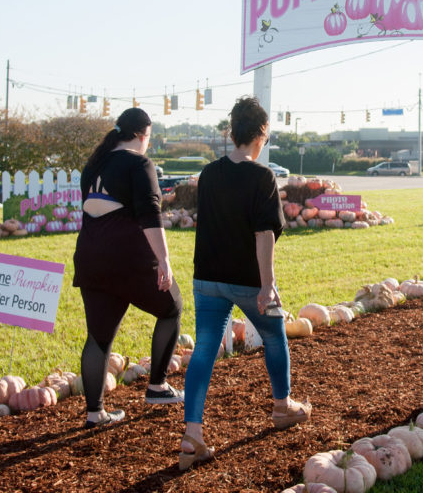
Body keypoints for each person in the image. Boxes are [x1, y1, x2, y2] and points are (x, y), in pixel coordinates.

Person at [178, 96, 310, 470]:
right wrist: (267, 285)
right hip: (247, 281)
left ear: (231, 133)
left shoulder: (209, 174)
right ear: (261, 134)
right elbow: (264, 234)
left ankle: (193, 435)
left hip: (206, 278)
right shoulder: (262, 177)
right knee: (273, 335)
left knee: (204, 350)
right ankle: (283, 407)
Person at [73, 107, 184, 428]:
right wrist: (163, 260)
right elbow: (150, 213)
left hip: (91, 258)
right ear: (141, 135)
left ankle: (95, 413)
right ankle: (158, 386)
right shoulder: (140, 163)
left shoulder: (94, 165)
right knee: (171, 308)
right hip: (128, 258)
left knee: (98, 338)